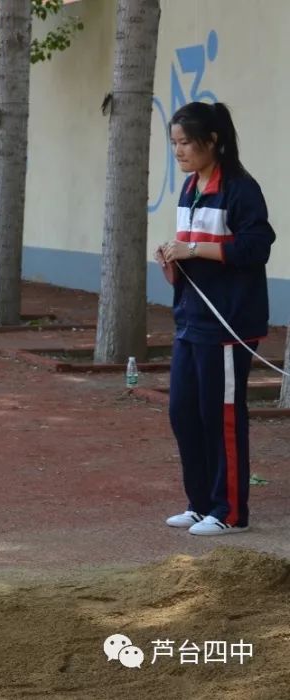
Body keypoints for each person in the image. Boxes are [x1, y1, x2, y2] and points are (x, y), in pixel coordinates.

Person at [155, 102, 276, 536]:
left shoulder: (241, 188)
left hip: (228, 325)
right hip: (190, 320)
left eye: (185, 142)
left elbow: (256, 247)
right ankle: (199, 503)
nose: (179, 151)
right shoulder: (189, 188)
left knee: (221, 414)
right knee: (183, 411)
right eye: (174, 144)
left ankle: (230, 512)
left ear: (213, 141)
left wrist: (195, 250)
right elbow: (193, 258)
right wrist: (172, 261)